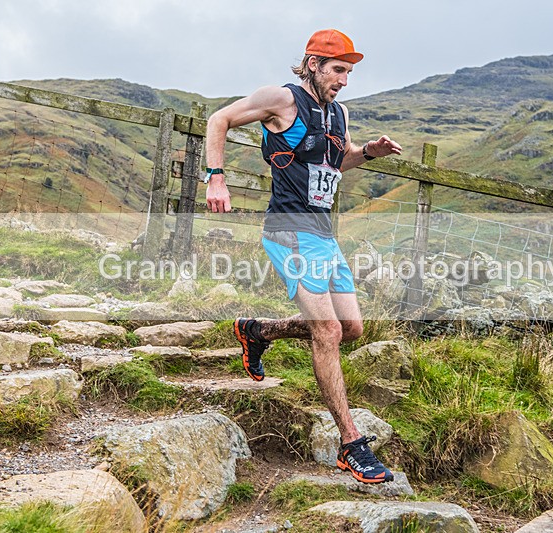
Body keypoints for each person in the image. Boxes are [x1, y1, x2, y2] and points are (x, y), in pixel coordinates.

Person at [204, 29, 402, 484]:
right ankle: (351, 444)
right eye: (338, 70)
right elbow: (219, 120)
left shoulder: (339, 112)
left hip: (323, 235)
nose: (345, 81)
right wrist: (216, 177)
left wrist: (367, 152)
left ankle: (257, 332)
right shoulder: (281, 99)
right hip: (288, 232)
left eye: (349, 73)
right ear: (313, 64)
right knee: (327, 330)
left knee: (350, 328)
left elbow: (339, 161)